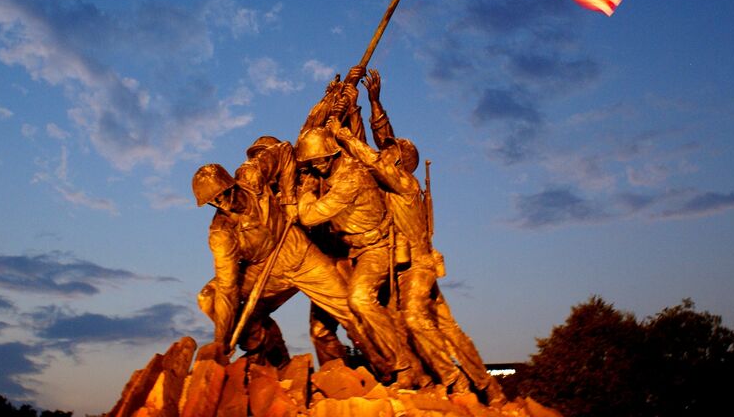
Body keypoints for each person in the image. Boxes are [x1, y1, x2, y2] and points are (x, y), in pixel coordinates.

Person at [353, 69, 506, 402]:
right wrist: (371, 102)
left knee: (415, 318)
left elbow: (370, 156)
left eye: (391, 152)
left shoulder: (404, 183)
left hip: (418, 266)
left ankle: (454, 379)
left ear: (401, 162)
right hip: (405, 266)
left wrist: (343, 134)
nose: (385, 151)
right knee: (446, 327)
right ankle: (487, 385)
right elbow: (379, 139)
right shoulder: (393, 179)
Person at [192, 140, 373, 366]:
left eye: (222, 194)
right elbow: (227, 286)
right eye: (214, 200)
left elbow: (285, 150)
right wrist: (222, 340)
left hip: (307, 256)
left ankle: (384, 365)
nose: (222, 202)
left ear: (231, 184)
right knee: (210, 297)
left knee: (349, 312)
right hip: (265, 271)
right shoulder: (222, 232)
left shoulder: (297, 178)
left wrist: (288, 199)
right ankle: (273, 358)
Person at [295, 125, 423, 388]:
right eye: (310, 163)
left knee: (360, 299)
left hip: (375, 249)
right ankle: (339, 379)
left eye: (318, 161)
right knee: (321, 322)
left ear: (332, 155)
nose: (316, 167)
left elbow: (308, 215)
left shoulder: (350, 178)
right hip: (346, 250)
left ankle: (406, 366)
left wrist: (306, 189)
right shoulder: (335, 171)